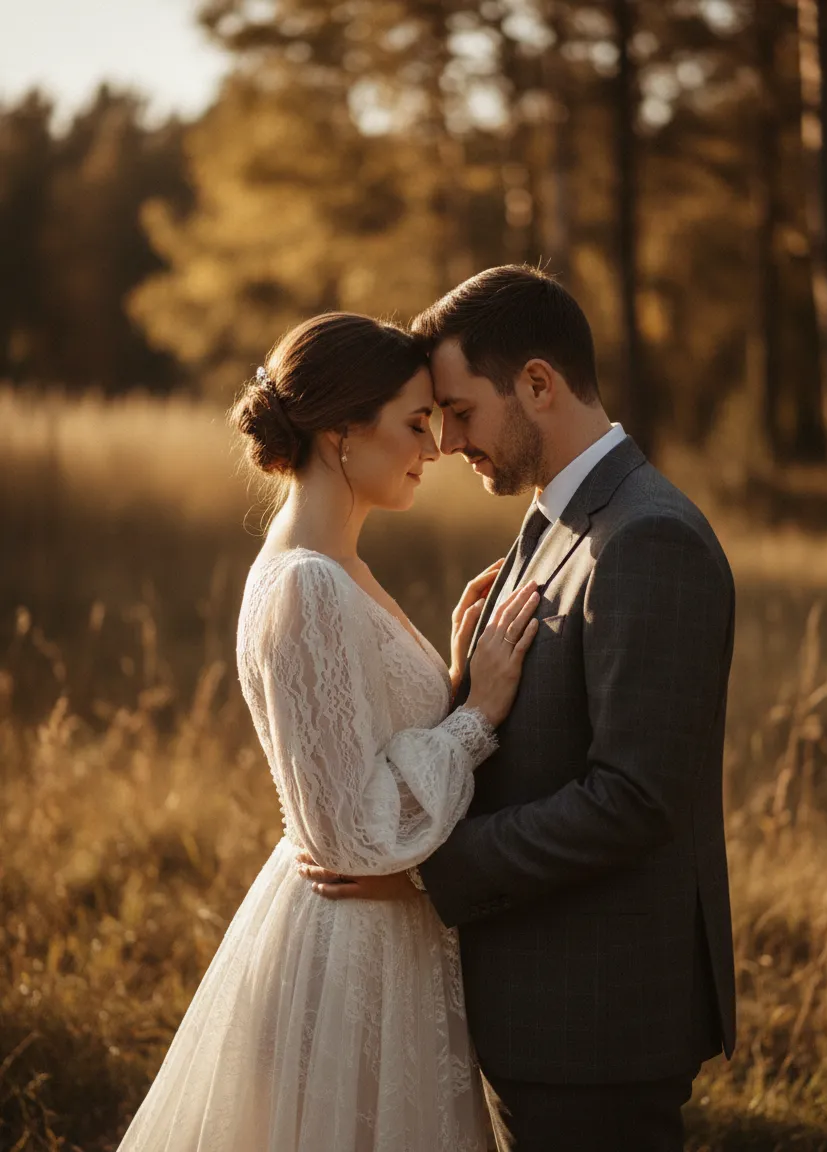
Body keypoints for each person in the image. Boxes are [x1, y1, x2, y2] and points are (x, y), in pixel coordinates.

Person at [299, 267, 737, 1152]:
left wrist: (424, 873)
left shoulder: (648, 538)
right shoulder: (556, 522)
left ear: (537, 383)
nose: (449, 440)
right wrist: (464, 692)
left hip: (600, 1024)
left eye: (459, 411)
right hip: (540, 1007)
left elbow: (635, 799)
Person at [116, 311, 541, 1152]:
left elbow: (364, 746)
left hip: (389, 938)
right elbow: (350, 831)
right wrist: (478, 717)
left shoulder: (337, 563)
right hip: (351, 953)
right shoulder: (306, 584)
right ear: (345, 430)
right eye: (416, 423)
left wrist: (451, 687)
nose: (436, 446)